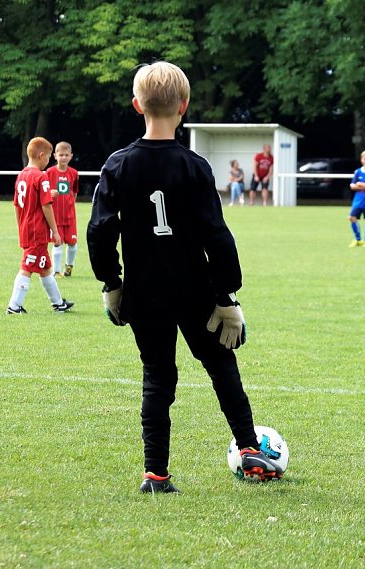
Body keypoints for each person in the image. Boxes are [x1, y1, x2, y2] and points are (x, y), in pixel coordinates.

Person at [86, 61, 283, 494]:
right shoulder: (195, 166)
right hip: (195, 290)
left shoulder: (118, 165)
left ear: (137, 105)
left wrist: (112, 283)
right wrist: (227, 296)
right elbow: (217, 235)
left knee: (158, 378)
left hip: (144, 293)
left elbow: (100, 230)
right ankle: (250, 449)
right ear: (184, 107)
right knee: (221, 366)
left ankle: (155, 474)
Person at [6, 137, 74, 315]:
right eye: (49, 157)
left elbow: (18, 205)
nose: (49, 161)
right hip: (37, 231)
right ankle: (14, 306)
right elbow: (46, 206)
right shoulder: (41, 176)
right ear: (41, 155)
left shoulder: (22, 175)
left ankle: (58, 304)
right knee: (27, 267)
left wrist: (21, 225)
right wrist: (55, 231)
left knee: (45, 268)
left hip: (27, 227)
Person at [46, 141, 80, 277]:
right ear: (55, 156)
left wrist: (70, 205)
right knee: (57, 243)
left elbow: (74, 192)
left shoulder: (74, 173)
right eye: (61, 155)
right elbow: (44, 193)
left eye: (66, 155)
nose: (64, 157)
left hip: (70, 216)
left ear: (71, 156)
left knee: (73, 243)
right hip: (56, 216)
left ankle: (69, 267)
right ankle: (56, 271)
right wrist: (50, 193)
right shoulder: (49, 173)